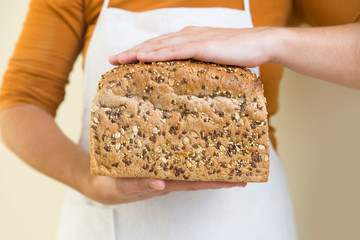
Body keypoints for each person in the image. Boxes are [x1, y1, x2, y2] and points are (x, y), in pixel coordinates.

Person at [0, 0, 358, 239]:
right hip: (111, 225)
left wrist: (273, 41)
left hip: (247, 224)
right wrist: (87, 179)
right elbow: (19, 101)